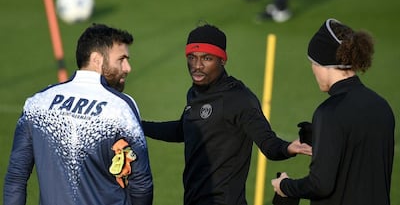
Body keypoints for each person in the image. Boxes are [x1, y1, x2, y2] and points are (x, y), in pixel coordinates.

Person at [142, 23, 311, 205]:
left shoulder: (238, 98)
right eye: (192, 57)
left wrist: (289, 148)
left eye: (207, 58)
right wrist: (138, 125)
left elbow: (268, 143)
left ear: (222, 60)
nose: (197, 66)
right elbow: (183, 129)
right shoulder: (195, 93)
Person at [3, 23, 153, 205]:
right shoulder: (120, 107)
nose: (127, 68)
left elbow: (16, 178)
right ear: (97, 59)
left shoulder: (37, 103)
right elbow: (141, 183)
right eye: (121, 59)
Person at [271, 18, 395, 205]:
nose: (313, 70)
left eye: (313, 63)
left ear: (324, 63)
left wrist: (285, 186)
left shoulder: (329, 112)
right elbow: (362, 162)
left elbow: (320, 184)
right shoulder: (382, 106)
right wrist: (323, 142)